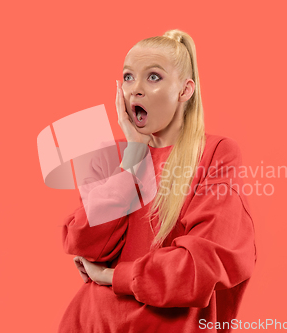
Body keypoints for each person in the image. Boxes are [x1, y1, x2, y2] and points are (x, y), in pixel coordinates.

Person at [58, 29, 257, 333]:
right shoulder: (111, 157)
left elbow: (196, 267)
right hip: (90, 323)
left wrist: (112, 277)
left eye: (153, 77)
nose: (134, 89)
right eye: (127, 77)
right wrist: (133, 157)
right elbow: (84, 242)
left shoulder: (216, 153)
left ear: (185, 90)